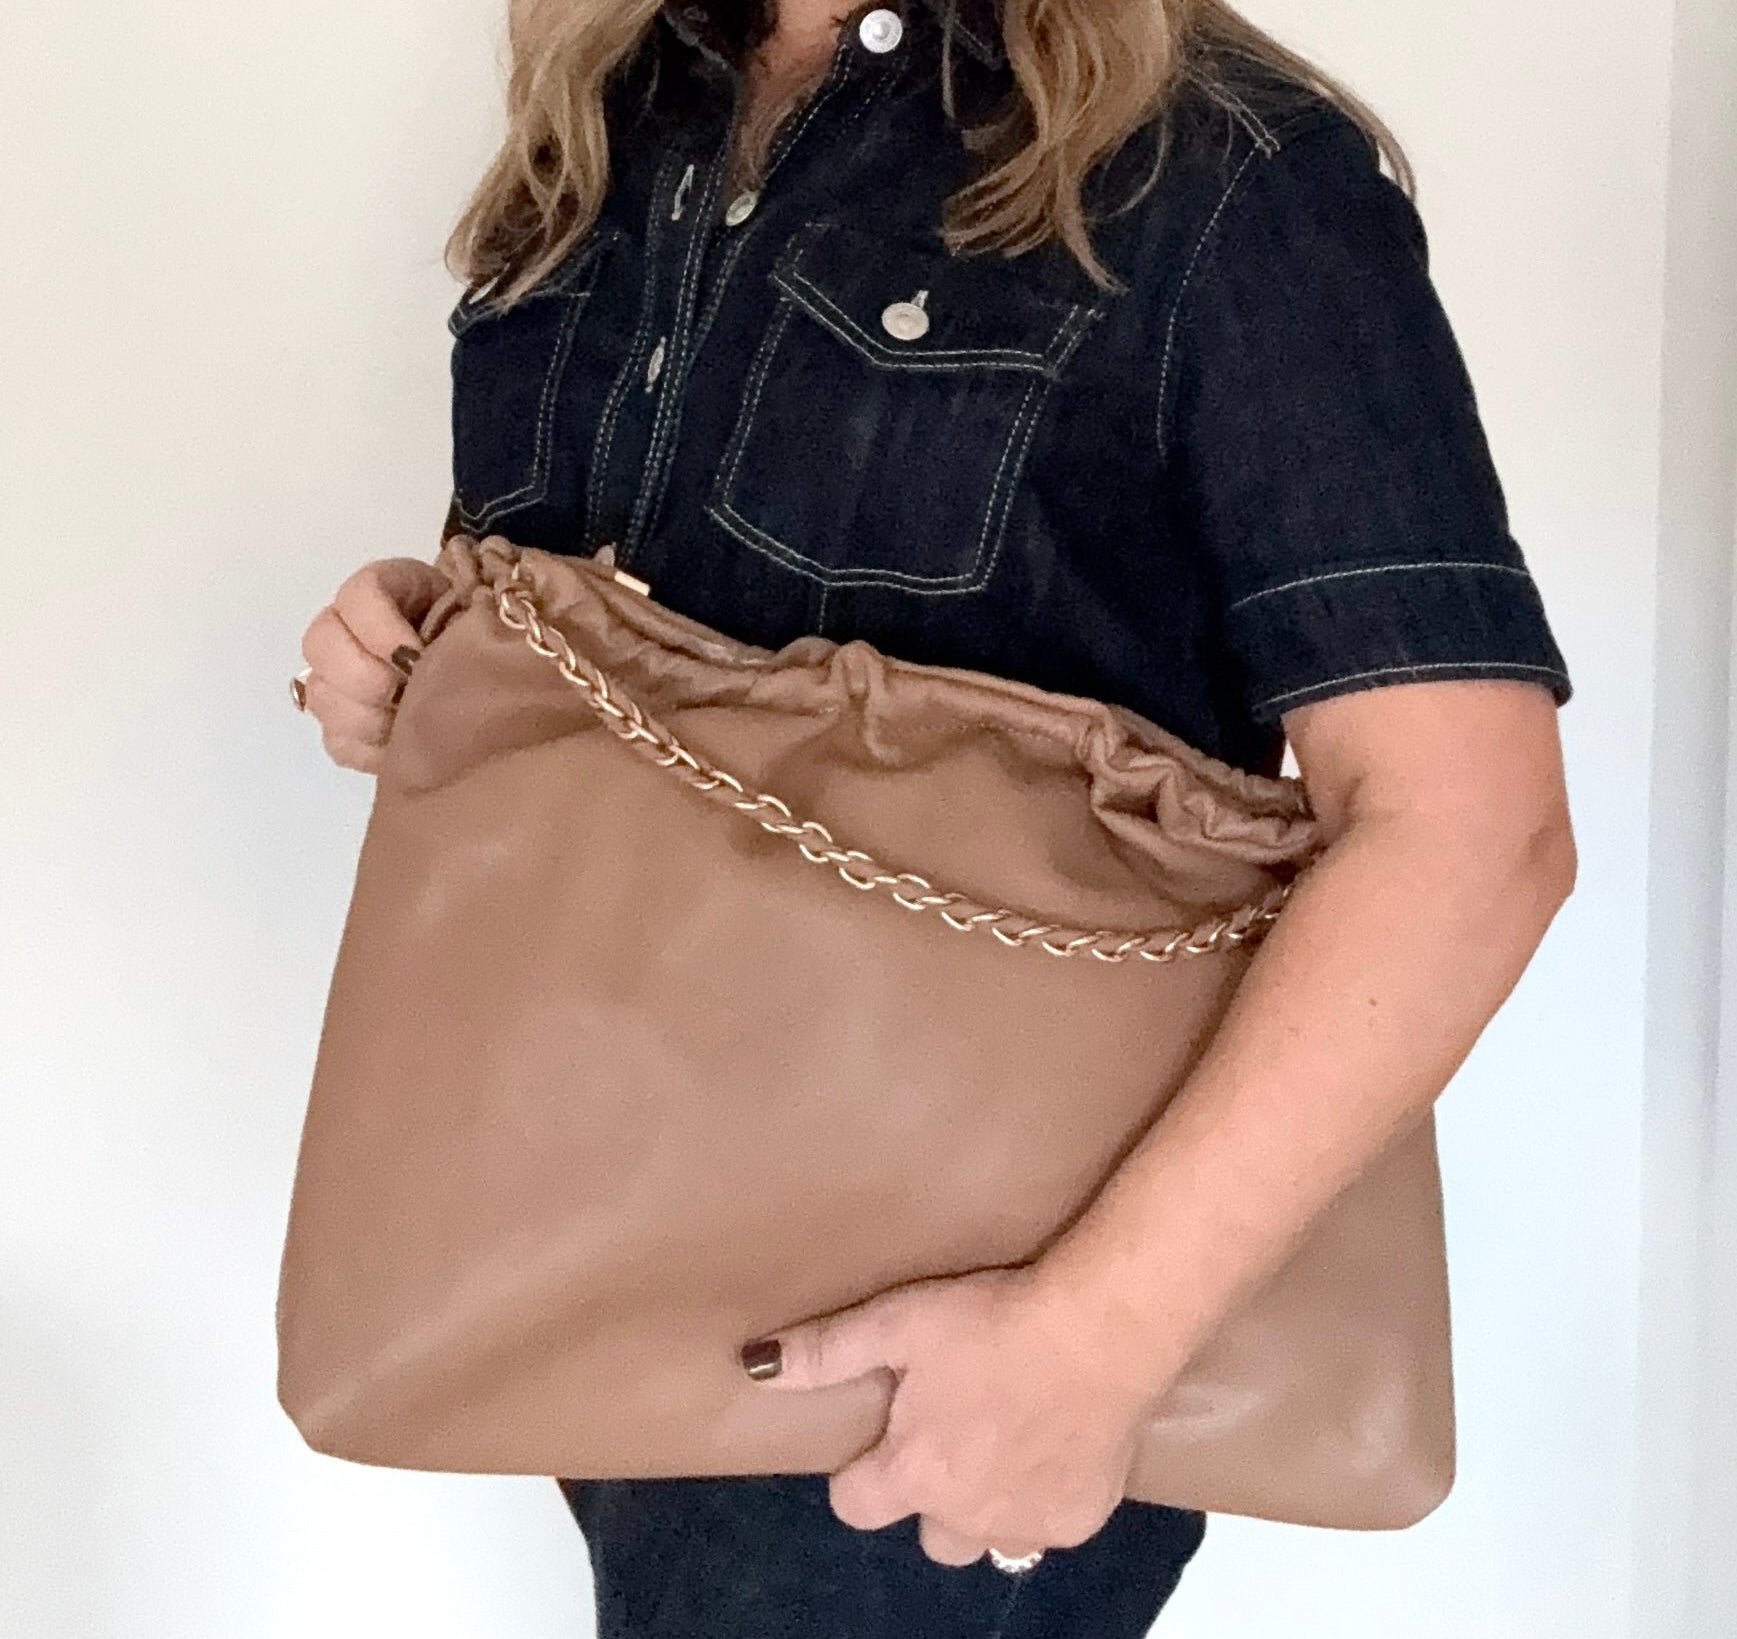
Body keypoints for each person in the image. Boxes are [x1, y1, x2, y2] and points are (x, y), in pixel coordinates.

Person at [291, 0, 1578, 1630]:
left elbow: (1471, 831)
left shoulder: (1224, 173)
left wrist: (1092, 1339)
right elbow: (631, 643)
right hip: (601, 1215)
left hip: (945, 1322)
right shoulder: (633, 107)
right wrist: (421, 646)